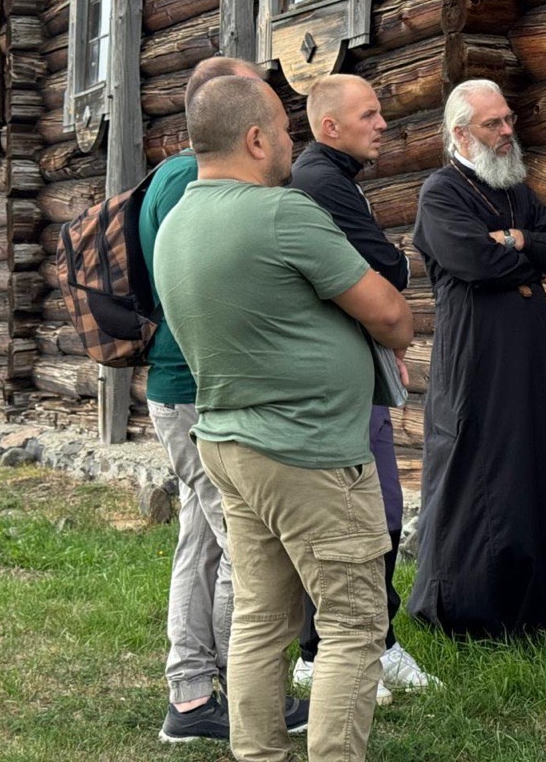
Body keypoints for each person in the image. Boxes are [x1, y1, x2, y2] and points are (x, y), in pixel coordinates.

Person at [154, 73, 414, 762]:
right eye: (286, 130)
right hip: (310, 455)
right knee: (355, 624)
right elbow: (390, 313)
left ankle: (259, 754)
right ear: (255, 137)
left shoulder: (178, 222)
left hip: (229, 446)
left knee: (262, 621)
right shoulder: (279, 213)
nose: (292, 144)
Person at [407, 79, 546, 640]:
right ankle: (475, 610)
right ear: (460, 133)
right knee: (484, 474)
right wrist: (521, 253)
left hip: (532, 358)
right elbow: (476, 262)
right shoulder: (440, 193)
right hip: (478, 360)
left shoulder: (515, 190)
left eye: (508, 120)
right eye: (493, 124)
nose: (507, 132)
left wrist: (520, 242)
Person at [141, 56, 308, 743]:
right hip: (197, 388)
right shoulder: (195, 180)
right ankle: (250, 702)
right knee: (245, 550)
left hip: (177, 385)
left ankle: (189, 697)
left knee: (200, 542)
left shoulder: (167, 178)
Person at [289, 73, 438, 701]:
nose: (383, 124)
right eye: (370, 114)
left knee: (376, 512)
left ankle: (368, 642)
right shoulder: (322, 182)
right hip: (338, 380)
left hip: (357, 364)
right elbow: (389, 268)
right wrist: (396, 267)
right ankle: (325, 653)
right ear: (330, 127)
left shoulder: (333, 179)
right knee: (361, 514)